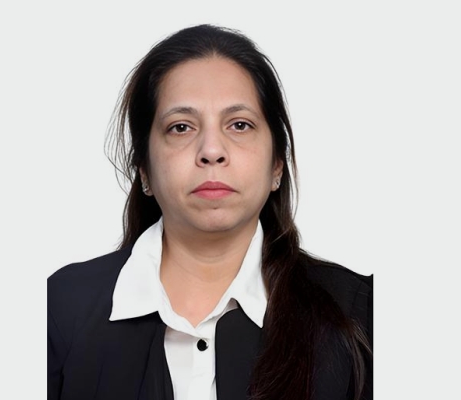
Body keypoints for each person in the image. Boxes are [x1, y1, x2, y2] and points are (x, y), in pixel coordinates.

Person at [47, 24, 372, 400]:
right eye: (181, 127)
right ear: (145, 170)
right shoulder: (59, 308)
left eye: (240, 125)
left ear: (277, 165)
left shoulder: (361, 313)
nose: (212, 150)